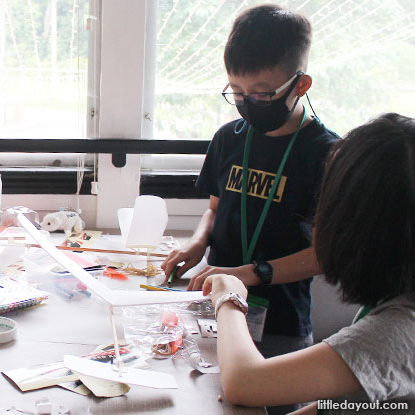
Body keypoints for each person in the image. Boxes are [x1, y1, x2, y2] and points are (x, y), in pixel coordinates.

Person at [160, 6, 338, 413]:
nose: (247, 102)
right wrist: (197, 243)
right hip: (215, 306)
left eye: (261, 93)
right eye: (236, 92)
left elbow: (324, 255)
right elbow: (215, 207)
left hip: (280, 322)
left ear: (301, 84)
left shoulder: (326, 154)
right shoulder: (228, 137)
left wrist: (247, 275)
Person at [203, 113, 415, 414]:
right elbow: (344, 406)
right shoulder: (397, 300)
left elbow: (243, 381)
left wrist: (229, 294)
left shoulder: (399, 330)